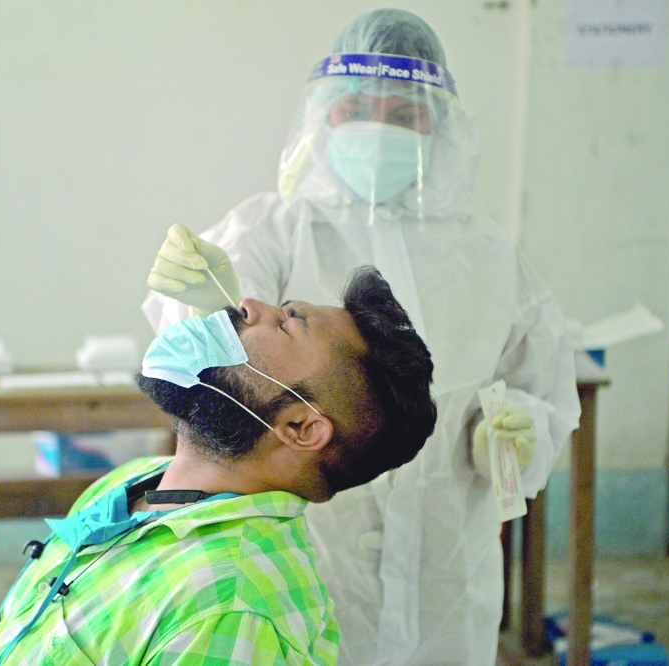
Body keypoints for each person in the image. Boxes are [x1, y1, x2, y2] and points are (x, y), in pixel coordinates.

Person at [143, 8, 581, 666]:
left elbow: (544, 386)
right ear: (325, 116)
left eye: (403, 114)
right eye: (357, 109)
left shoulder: (488, 255)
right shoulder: (274, 228)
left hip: (448, 569)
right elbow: (202, 362)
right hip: (302, 553)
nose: (379, 127)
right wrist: (200, 304)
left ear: (437, 126)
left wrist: (523, 431)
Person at [0, 266, 437, 666]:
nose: (248, 305)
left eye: (287, 324)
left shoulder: (233, 610)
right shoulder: (135, 481)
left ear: (299, 427)